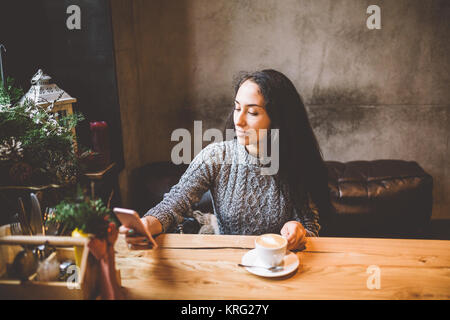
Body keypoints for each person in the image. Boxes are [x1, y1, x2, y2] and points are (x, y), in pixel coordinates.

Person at [119, 69, 331, 251]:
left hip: (275, 265)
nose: (238, 120)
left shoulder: (293, 161)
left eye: (253, 112)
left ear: (277, 119)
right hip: (225, 257)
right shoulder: (216, 156)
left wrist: (299, 231)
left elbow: (310, 225)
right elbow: (176, 201)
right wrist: (146, 223)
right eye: (237, 107)